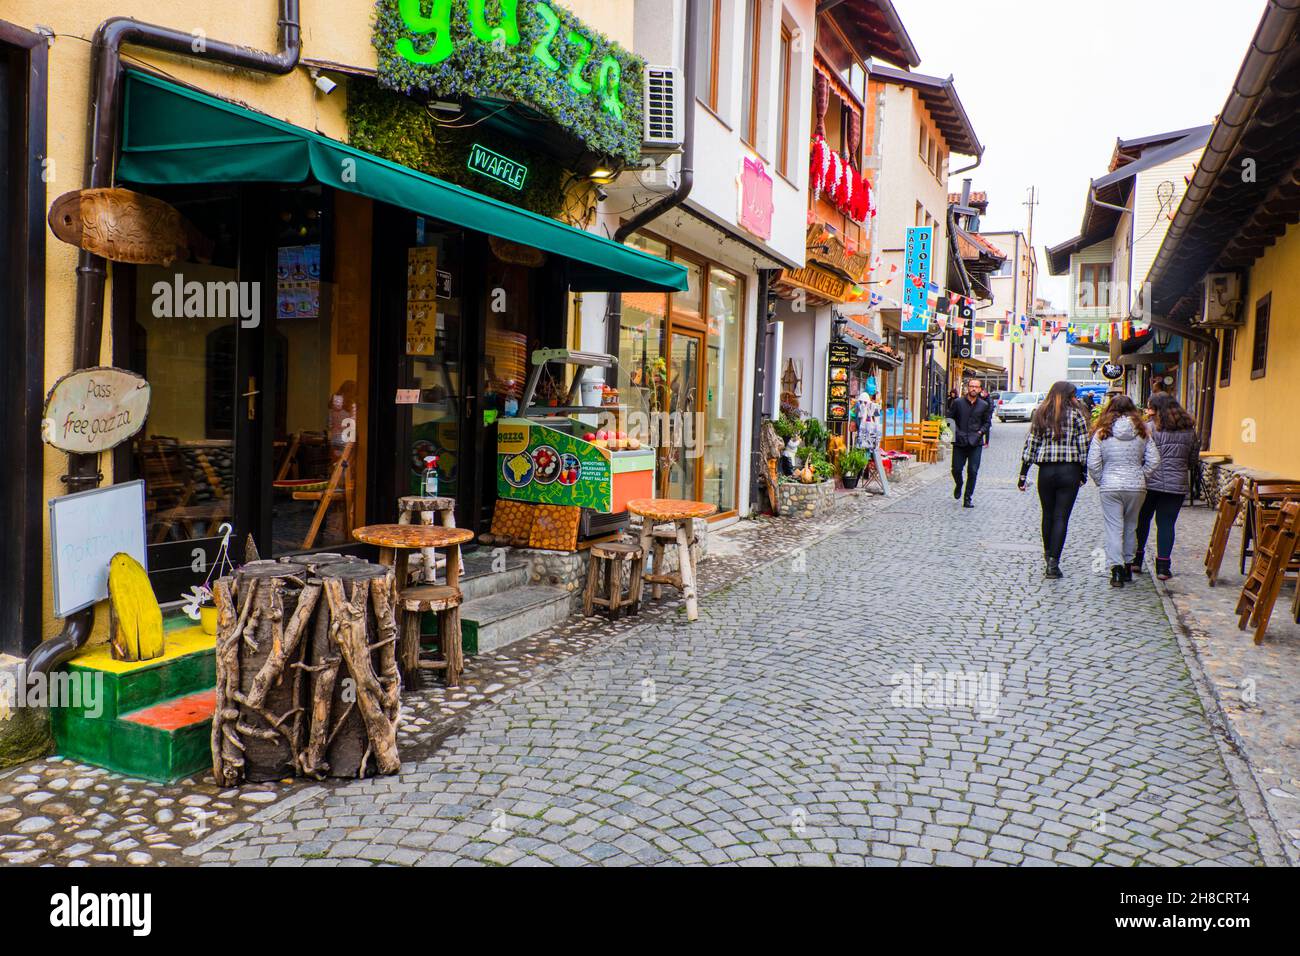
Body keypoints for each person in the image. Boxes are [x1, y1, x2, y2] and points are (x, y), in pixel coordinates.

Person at [1018, 381, 1090, 579]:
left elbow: (1031, 444)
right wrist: (1083, 471)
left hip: (1046, 471)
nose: (1076, 398)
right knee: (1061, 517)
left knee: (1047, 514)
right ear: (1069, 396)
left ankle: (1047, 553)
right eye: (1074, 395)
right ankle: (1053, 563)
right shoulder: (1078, 415)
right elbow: (1084, 445)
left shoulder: (1042, 413)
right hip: (1070, 470)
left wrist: (1023, 473)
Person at [1087, 395, 1161, 588]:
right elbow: (1154, 460)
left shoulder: (1102, 432)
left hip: (1110, 484)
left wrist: (1101, 480)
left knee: (1113, 527)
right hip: (1136, 486)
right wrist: (1141, 475)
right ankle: (1128, 565)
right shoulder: (1142, 432)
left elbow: (1093, 462)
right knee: (1131, 526)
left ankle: (1116, 570)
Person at [1134, 393, 1198, 579]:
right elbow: (1192, 459)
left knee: (1142, 520)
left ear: (1156, 408)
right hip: (1175, 483)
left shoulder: (1149, 428)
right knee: (1166, 524)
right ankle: (1163, 567)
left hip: (1150, 482)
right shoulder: (1189, 430)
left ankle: (1136, 561)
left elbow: (1141, 455)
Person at [947, 377, 992, 508]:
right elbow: (949, 420)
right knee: (956, 469)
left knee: (973, 471)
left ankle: (967, 498)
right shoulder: (957, 403)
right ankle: (959, 484)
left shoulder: (984, 405)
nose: (973, 389)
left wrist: (980, 433)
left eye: (976, 387)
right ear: (967, 387)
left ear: (980, 389)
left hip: (975, 443)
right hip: (960, 442)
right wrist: (954, 435)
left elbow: (987, 422)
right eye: (971, 386)